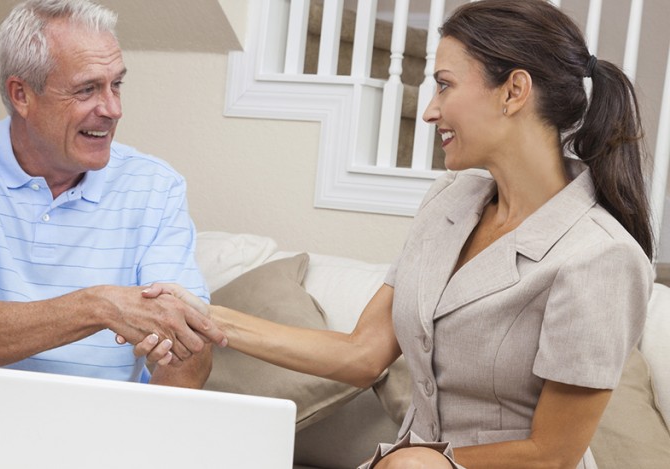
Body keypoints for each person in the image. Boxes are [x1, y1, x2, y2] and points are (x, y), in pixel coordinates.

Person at [138, 1, 654, 468]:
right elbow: (361, 354)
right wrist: (199, 315)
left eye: (445, 85)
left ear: (514, 91)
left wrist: (420, 462)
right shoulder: (448, 201)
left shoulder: (601, 256)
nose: (429, 108)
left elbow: (552, 455)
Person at [0, 0, 226, 466]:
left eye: (116, 85)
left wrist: (180, 352)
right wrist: (99, 306)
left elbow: (190, 356)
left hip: (104, 436)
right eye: (88, 89)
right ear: (21, 94)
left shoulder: (156, 186)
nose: (112, 109)